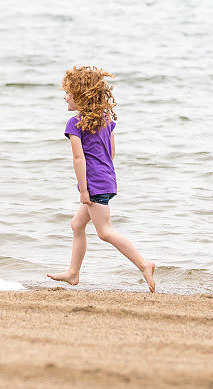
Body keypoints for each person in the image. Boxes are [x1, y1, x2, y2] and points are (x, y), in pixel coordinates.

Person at [46, 66, 156, 292]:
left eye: (68, 92)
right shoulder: (106, 120)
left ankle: (144, 264)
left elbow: (79, 159)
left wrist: (84, 190)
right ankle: (73, 273)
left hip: (94, 184)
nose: (65, 97)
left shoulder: (74, 124)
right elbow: (111, 152)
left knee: (104, 231)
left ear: (81, 96)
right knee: (77, 224)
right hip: (106, 179)